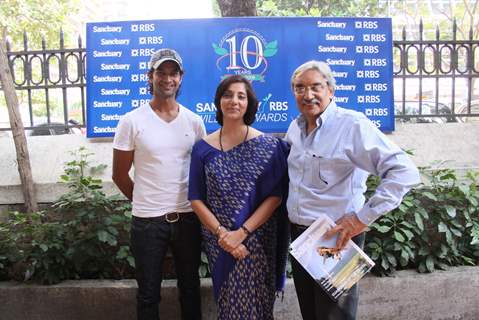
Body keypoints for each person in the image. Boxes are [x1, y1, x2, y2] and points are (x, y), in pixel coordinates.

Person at [285, 60, 420, 320]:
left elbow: (404, 171)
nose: (308, 94)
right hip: (301, 238)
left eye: (316, 87)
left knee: (336, 317)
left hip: (335, 238)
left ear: (331, 91)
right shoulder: (296, 128)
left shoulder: (352, 125)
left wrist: (361, 219)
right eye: (300, 88)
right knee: (312, 315)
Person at [112, 48, 206, 320]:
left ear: (181, 77)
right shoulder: (131, 121)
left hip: (188, 219)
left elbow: (201, 172)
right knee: (148, 293)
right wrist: (145, 201)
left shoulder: (194, 122)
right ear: (149, 77)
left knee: (190, 288)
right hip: (148, 222)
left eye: (173, 73)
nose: (167, 79)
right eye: (161, 73)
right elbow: (119, 174)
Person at [188, 75, 290, 319]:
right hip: (220, 243)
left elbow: (275, 196)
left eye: (241, 96)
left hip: (257, 241)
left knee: (259, 307)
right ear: (219, 101)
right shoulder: (202, 149)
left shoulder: (269, 146)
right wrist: (224, 235)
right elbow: (195, 198)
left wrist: (242, 233)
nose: (234, 101)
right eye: (227, 95)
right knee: (229, 306)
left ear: (249, 103)